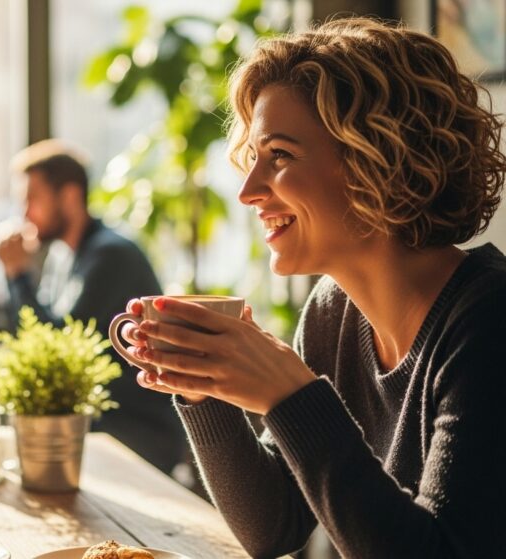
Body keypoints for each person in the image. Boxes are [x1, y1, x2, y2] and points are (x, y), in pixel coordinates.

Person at [120, 18, 506, 558]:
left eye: (279, 155)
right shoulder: (333, 312)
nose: (249, 191)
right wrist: (202, 386)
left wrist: (291, 397)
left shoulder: (488, 324)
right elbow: (274, 527)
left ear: (378, 159)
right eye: (253, 158)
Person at [0, 140, 190, 475]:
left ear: (69, 196)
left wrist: (18, 275)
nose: (24, 215)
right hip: (93, 418)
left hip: (135, 428)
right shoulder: (60, 255)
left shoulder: (110, 255)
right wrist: (17, 277)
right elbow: (30, 338)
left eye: (32, 199)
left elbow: (59, 353)